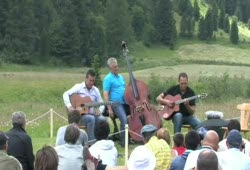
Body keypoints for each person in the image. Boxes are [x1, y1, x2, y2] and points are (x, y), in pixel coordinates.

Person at [63, 69, 106, 144]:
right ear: (86, 78)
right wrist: (70, 106)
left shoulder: (96, 90)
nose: (92, 83)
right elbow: (65, 94)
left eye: (93, 81)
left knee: (102, 119)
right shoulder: (78, 87)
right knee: (91, 118)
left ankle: (102, 143)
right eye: (90, 80)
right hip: (80, 116)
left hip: (92, 114)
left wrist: (100, 111)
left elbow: (101, 103)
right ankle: (91, 143)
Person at [103, 57, 128, 147]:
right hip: (115, 104)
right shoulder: (108, 79)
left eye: (117, 66)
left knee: (136, 113)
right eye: (114, 67)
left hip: (125, 102)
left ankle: (135, 137)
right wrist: (109, 109)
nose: (116, 68)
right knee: (124, 120)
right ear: (110, 68)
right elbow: (105, 95)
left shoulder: (121, 77)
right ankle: (124, 143)